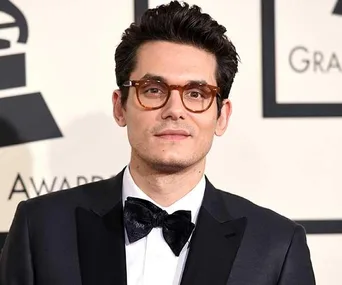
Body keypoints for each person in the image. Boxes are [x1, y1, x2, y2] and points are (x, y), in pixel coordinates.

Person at [0, 1, 315, 284]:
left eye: (196, 93)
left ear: (222, 116)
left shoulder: (277, 246)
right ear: (120, 107)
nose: (174, 110)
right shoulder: (40, 228)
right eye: (153, 89)